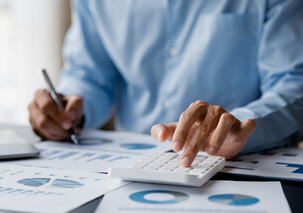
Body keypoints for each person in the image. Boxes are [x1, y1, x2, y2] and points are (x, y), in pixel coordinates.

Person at [28, 0, 303, 167]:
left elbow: (294, 84)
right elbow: (89, 73)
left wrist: (240, 123)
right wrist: (70, 108)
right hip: (130, 166)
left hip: (240, 166)